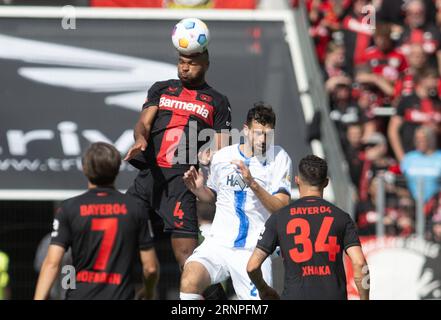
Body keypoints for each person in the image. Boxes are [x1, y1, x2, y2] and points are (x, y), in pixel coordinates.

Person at [124, 49, 232, 274]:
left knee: (188, 261)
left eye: (191, 63)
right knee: (116, 232)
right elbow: (143, 122)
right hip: (149, 177)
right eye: (181, 62)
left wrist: (211, 154)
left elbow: (223, 148)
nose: (184, 67)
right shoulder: (162, 88)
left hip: (181, 182)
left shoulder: (218, 101)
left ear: (206, 64)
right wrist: (140, 138)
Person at [179, 104, 292, 300]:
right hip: (219, 243)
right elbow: (213, 197)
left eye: (268, 134)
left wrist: (252, 183)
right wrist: (199, 190)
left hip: (254, 250)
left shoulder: (280, 157)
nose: (263, 140)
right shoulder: (222, 156)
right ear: (246, 129)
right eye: (258, 133)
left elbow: (281, 208)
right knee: (189, 281)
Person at [34, 142, 159, 300]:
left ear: (85, 169)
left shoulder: (69, 208)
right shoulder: (135, 208)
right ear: (117, 169)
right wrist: (148, 292)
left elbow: (52, 263)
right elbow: (150, 268)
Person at [247, 155, 369, 300]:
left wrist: (263, 288)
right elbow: (359, 262)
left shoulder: (279, 218)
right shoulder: (342, 217)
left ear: (297, 180)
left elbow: (252, 266)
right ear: (326, 183)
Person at [401, 126, 441, 203]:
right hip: (411, 203)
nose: (420, 141)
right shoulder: (408, 158)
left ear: (431, 139)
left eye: (423, 138)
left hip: (435, 204)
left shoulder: (439, 157)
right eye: (417, 139)